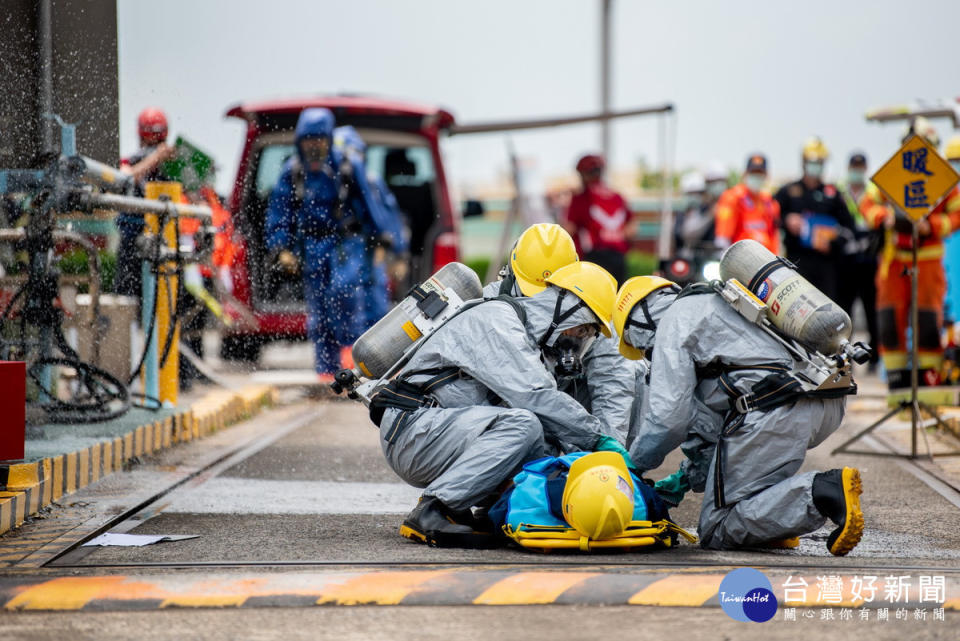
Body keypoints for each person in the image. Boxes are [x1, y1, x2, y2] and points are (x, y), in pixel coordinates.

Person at [368, 261, 633, 547]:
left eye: (586, 335)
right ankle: (434, 509)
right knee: (524, 424)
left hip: (439, 432)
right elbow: (534, 394)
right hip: (412, 432)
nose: (578, 340)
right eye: (581, 330)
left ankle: (492, 512)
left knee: (546, 449)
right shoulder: (497, 321)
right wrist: (598, 439)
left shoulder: (530, 339)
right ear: (565, 308)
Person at [611, 276, 864, 555]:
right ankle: (770, 528)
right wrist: (685, 478)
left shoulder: (673, 322)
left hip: (775, 410)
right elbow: (712, 431)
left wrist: (631, 467)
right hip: (821, 399)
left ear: (639, 323)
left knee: (717, 527)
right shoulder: (720, 304)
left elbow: (669, 419)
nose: (648, 355)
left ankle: (823, 492)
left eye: (641, 347)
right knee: (748, 491)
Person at [482, 223, 638, 444]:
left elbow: (611, 379)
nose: (543, 300)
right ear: (512, 274)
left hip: (567, 401)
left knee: (636, 373)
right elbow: (524, 393)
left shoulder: (588, 304)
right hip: (513, 412)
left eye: (552, 290)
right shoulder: (489, 309)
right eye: (536, 291)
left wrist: (609, 449)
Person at [264, 108, 384, 381]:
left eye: (319, 139)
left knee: (346, 298)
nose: (314, 145)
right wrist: (281, 248)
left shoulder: (347, 167)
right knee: (319, 312)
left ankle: (353, 366)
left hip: (345, 246)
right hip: (312, 247)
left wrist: (381, 240)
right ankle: (326, 372)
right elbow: (280, 212)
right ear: (299, 141)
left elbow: (370, 206)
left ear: (329, 139)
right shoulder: (292, 172)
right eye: (308, 139)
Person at [860, 118, 960, 389]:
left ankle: (927, 383)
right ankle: (897, 385)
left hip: (927, 260)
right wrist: (885, 218)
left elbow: (957, 214)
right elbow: (867, 203)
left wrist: (932, 225)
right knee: (890, 321)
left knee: (928, 321)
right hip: (895, 260)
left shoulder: (943, 181)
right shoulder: (892, 176)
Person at [333, 126, 410, 330]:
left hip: (370, 252)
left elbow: (390, 218)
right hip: (341, 255)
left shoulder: (372, 183)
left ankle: (370, 359)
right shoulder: (326, 187)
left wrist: (399, 255)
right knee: (342, 311)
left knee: (374, 313)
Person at [775, 138, 857, 302]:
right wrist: (787, 220)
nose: (816, 166)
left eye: (820, 162)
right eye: (813, 162)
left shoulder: (833, 194)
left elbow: (849, 228)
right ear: (804, 163)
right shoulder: (788, 191)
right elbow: (772, 218)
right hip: (796, 262)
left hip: (826, 265)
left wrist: (833, 242)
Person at [116, 107, 177, 299]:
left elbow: (192, 194)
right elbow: (125, 178)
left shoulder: (171, 166)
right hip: (133, 238)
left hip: (166, 237)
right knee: (128, 296)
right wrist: (155, 158)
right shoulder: (131, 161)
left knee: (166, 297)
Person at [836, 152, 880, 370]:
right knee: (845, 311)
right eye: (854, 167)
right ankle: (845, 356)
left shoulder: (874, 192)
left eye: (860, 167)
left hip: (870, 259)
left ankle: (875, 357)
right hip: (846, 262)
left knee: (872, 310)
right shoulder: (840, 192)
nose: (857, 171)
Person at [562, 154, 634, 284]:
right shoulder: (617, 197)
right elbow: (632, 229)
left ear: (584, 174)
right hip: (619, 258)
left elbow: (568, 230)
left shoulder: (582, 198)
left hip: (594, 258)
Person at [714, 154, 780, 254]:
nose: (757, 177)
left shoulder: (769, 202)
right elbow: (723, 237)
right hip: (740, 261)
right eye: (753, 173)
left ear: (766, 176)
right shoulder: (732, 198)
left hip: (766, 261)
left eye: (760, 173)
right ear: (745, 174)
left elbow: (774, 236)